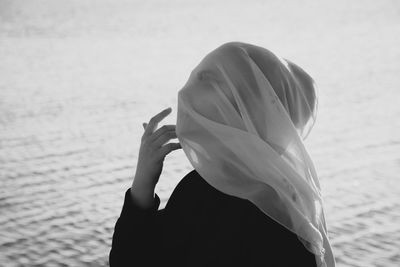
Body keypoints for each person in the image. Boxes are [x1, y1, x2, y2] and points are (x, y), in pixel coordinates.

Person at [109, 42, 335, 267]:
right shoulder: (291, 200)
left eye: (211, 82)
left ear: (240, 111)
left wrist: (143, 182)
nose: (189, 93)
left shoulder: (204, 193)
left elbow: (128, 260)